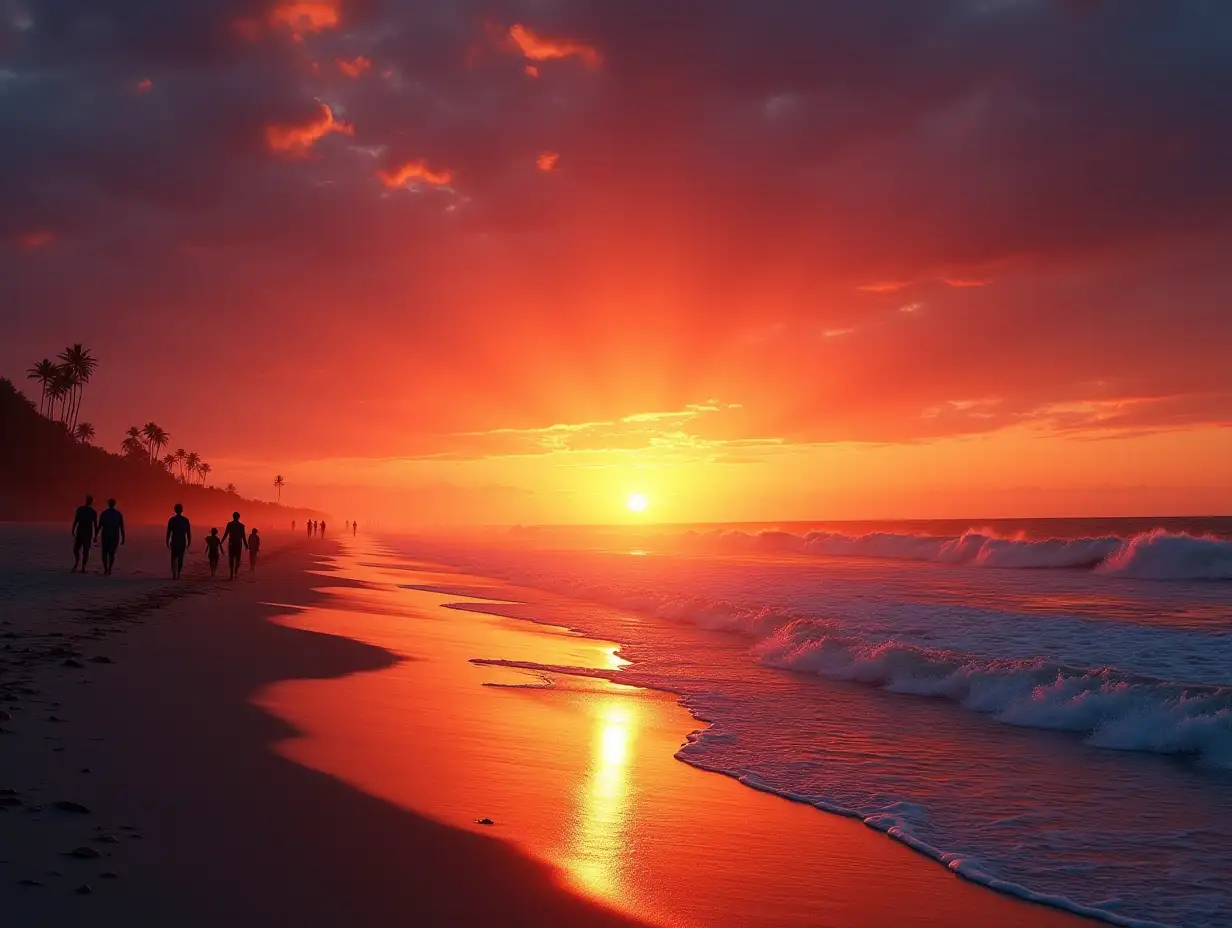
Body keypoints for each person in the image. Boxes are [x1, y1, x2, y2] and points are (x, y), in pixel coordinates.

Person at [95, 498, 125, 577]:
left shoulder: (104, 513)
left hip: (106, 536)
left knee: (104, 553)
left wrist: (95, 535)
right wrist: (123, 537)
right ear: (114, 504)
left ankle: (106, 568)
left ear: (108, 504)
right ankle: (109, 568)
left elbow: (99, 526)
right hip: (114, 536)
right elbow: (121, 527)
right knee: (111, 553)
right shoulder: (118, 514)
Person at [71, 494, 98, 573]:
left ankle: (83, 566)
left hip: (88, 533)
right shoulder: (80, 509)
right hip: (80, 531)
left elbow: (95, 524)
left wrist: (95, 535)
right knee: (76, 549)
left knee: (85, 550)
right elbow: (76, 519)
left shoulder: (93, 512)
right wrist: (73, 528)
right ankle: (77, 562)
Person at [166, 503, 192, 580]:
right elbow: (188, 532)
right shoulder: (185, 520)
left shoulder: (172, 520)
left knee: (173, 558)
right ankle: (178, 574)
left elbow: (168, 532)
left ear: (175, 510)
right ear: (182, 510)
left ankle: (174, 573)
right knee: (180, 558)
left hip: (175, 540)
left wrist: (167, 541)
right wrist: (189, 541)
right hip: (181, 541)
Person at [221, 511, 247, 580]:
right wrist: (221, 541)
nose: (235, 517)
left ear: (238, 517)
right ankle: (232, 573)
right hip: (232, 543)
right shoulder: (229, 524)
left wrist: (246, 545)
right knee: (232, 559)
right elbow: (226, 533)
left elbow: (243, 535)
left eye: (236, 516)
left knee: (237, 559)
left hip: (237, 543)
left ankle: (235, 570)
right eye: (234, 516)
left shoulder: (241, 526)